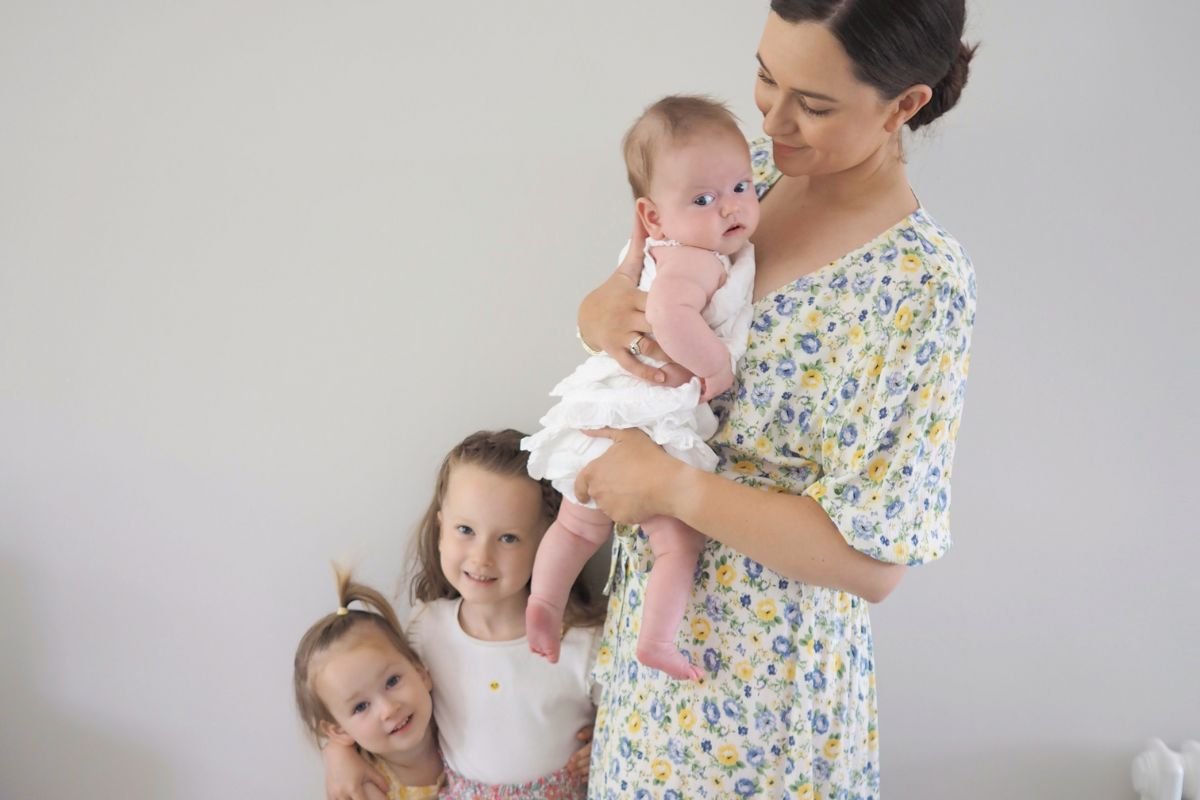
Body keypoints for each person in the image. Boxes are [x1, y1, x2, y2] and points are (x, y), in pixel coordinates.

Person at [574, 1, 978, 797]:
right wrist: (596, 315)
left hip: (765, 695)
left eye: (814, 103)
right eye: (765, 75)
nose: (774, 118)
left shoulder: (921, 285)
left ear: (905, 105)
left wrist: (671, 487)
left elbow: (873, 561)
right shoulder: (742, 177)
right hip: (649, 652)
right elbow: (631, 294)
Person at [522, 95, 760, 682]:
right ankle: (657, 640)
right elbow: (672, 317)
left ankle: (544, 603)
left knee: (576, 526)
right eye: (702, 199)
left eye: (741, 186)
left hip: (604, 407)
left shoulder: (653, 247)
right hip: (647, 421)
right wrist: (716, 367)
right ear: (655, 216)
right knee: (675, 546)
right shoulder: (696, 261)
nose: (729, 208)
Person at [323, 429, 606, 800]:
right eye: (465, 530)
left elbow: (631, 723)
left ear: (545, 543)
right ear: (441, 530)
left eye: (508, 538)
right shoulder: (426, 629)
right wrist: (337, 752)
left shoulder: (582, 641)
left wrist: (601, 743)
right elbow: (354, 692)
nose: (481, 557)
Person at [293, 569, 444, 800]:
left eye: (392, 681)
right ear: (339, 731)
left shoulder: (455, 721)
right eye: (361, 706)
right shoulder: (366, 788)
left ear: (420, 672)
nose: (388, 709)